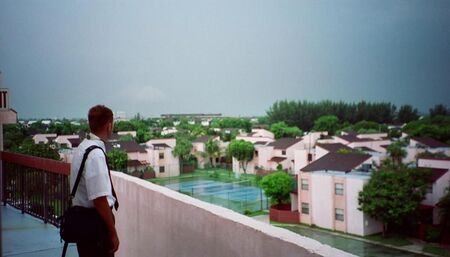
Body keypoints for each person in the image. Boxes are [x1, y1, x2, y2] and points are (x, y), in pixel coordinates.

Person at [70, 105, 119, 257]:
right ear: (109, 126)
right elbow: (99, 200)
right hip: (95, 226)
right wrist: (113, 233)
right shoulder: (96, 155)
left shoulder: (83, 147)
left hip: (84, 223)